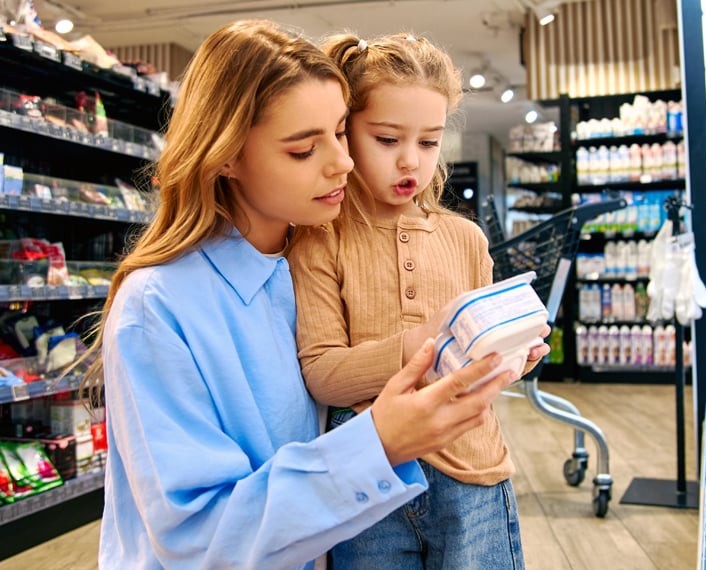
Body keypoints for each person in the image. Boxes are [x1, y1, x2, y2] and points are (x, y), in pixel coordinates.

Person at [74, 20, 518, 569]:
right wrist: (379, 445)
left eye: (339, 132)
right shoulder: (157, 307)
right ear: (227, 156)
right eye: (305, 149)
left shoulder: (308, 260)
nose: (345, 162)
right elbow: (197, 537)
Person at [290, 31, 549, 569]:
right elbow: (322, 373)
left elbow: (479, 370)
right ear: (346, 133)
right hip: (368, 481)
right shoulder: (319, 238)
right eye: (387, 140)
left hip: (473, 471)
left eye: (428, 142)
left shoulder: (467, 239)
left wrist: (511, 359)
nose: (411, 161)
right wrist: (425, 342)